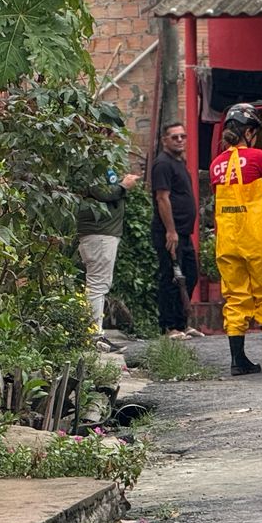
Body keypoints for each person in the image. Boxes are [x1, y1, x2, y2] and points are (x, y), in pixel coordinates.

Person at [211, 103, 262, 376]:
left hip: (227, 242)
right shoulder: (259, 158)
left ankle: (238, 361)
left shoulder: (216, 165)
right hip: (257, 239)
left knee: (235, 297)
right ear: (249, 132)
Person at [76, 113, 142, 350]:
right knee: (97, 284)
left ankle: (93, 335)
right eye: (112, 134)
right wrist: (124, 186)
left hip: (102, 230)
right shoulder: (93, 159)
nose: (114, 139)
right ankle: (94, 337)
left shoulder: (95, 157)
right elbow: (102, 191)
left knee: (97, 283)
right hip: (99, 230)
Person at [151, 121, 200, 339]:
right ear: (165, 140)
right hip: (170, 232)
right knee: (171, 278)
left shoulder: (179, 162)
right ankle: (169, 327)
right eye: (174, 137)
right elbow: (162, 198)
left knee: (190, 275)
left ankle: (182, 324)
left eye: (182, 136)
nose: (180, 140)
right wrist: (170, 231)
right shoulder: (162, 163)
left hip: (184, 231)